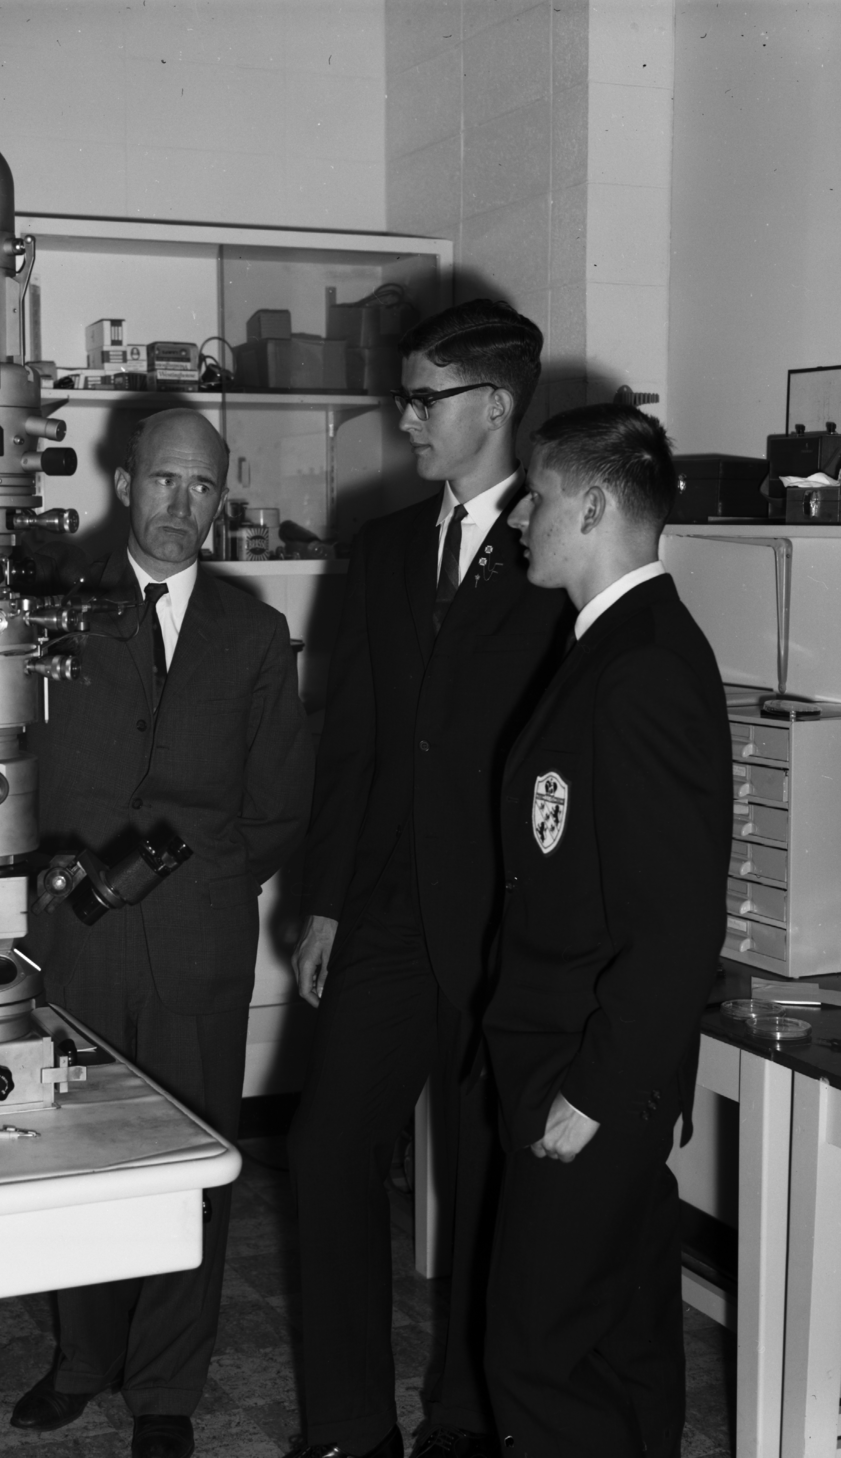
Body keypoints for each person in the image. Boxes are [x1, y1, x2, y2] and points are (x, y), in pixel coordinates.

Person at [286, 300, 573, 1458]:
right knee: (324, 1148)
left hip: (505, 927)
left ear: (494, 408)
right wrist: (327, 901)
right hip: (390, 911)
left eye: (425, 397)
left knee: (482, 1171)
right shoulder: (388, 541)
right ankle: (352, 1424)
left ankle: (462, 1415)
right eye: (404, 394)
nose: (403, 416)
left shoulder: (560, 549)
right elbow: (354, 736)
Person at [11, 408, 313, 1458]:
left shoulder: (254, 631)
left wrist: (198, 887)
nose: (185, 508)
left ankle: (168, 1389)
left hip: (197, 946)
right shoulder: (53, 610)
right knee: (79, 1159)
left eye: (205, 489)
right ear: (127, 479)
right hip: (75, 940)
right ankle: (82, 1360)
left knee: (194, 1164)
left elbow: (279, 804)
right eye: (168, 482)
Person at [481, 404, 732, 1457]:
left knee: (536, 1356)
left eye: (535, 497)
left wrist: (599, 1090)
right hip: (591, 1061)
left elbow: (673, 926)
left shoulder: (641, 668)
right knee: (623, 1338)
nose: (520, 519)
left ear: (589, 505)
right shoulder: (611, 646)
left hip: (585, 1070)